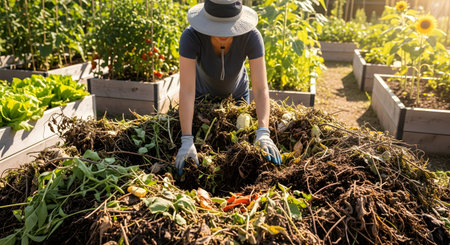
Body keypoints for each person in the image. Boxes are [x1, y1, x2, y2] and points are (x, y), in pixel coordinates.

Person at [175, 0, 281, 176]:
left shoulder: (251, 36)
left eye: (228, 26)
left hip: (237, 99)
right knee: (205, 147)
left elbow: (261, 88)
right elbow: (186, 90)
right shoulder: (191, 37)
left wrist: (263, 131)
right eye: (216, 27)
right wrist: (186, 138)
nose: (223, 33)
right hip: (202, 101)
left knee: (237, 148)